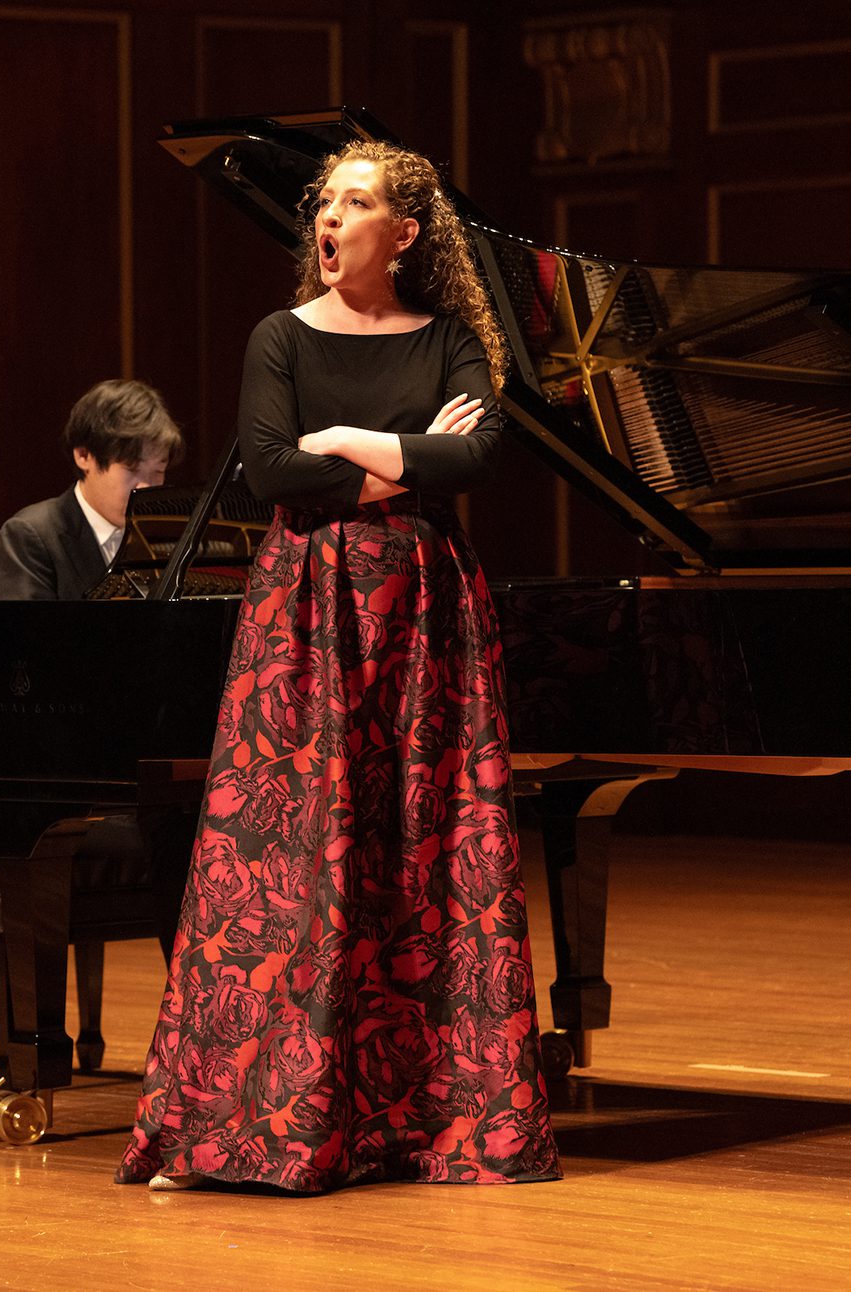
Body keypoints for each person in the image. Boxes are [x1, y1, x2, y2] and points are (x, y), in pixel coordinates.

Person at [115, 140, 562, 1192]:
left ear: (403, 235)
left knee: (421, 841)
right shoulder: (280, 336)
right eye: (324, 202)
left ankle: (420, 1121)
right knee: (287, 852)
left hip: (423, 617)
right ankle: (258, 1123)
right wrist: (398, 461)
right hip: (308, 619)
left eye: (354, 204)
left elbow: (480, 455)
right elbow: (271, 467)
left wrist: (349, 437)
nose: (328, 217)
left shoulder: (449, 337)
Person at [0, 379, 182, 599]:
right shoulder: (32, 536)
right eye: (131, 469)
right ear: (84, 456)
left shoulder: (163, 535)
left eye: (158, 471)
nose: (146, 487)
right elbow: (25, 632)